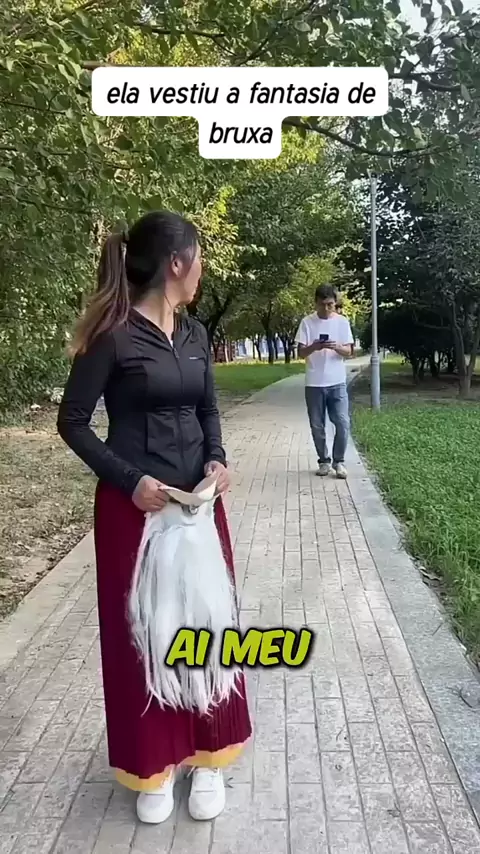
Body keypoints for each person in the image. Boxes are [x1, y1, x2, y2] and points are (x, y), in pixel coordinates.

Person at [57, 210, 251, 825]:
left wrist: (218, 459)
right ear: (176, 263)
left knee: (208, 630)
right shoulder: (113, 336)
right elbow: (72, 422)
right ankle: (153, 766)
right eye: (199, 259)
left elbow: (208, 410)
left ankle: (208, 757)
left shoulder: (195, 335)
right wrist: (129, 480)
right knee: (144, 637)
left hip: (199, 510)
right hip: (134, 513)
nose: (202, 270)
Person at [295, 284, 354, 479]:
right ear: (316, 303)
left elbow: (349, 351)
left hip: (337, 382)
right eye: (323, 304)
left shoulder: (342, 322)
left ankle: (339, 461)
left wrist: (336, 346)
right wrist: (315, 346)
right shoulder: (307, 322)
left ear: (335, 303)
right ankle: (324, 461)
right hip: (314, 383)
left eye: (330, 305)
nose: (327, 308)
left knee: (342, 422)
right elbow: (301, 352)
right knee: (317, 425)